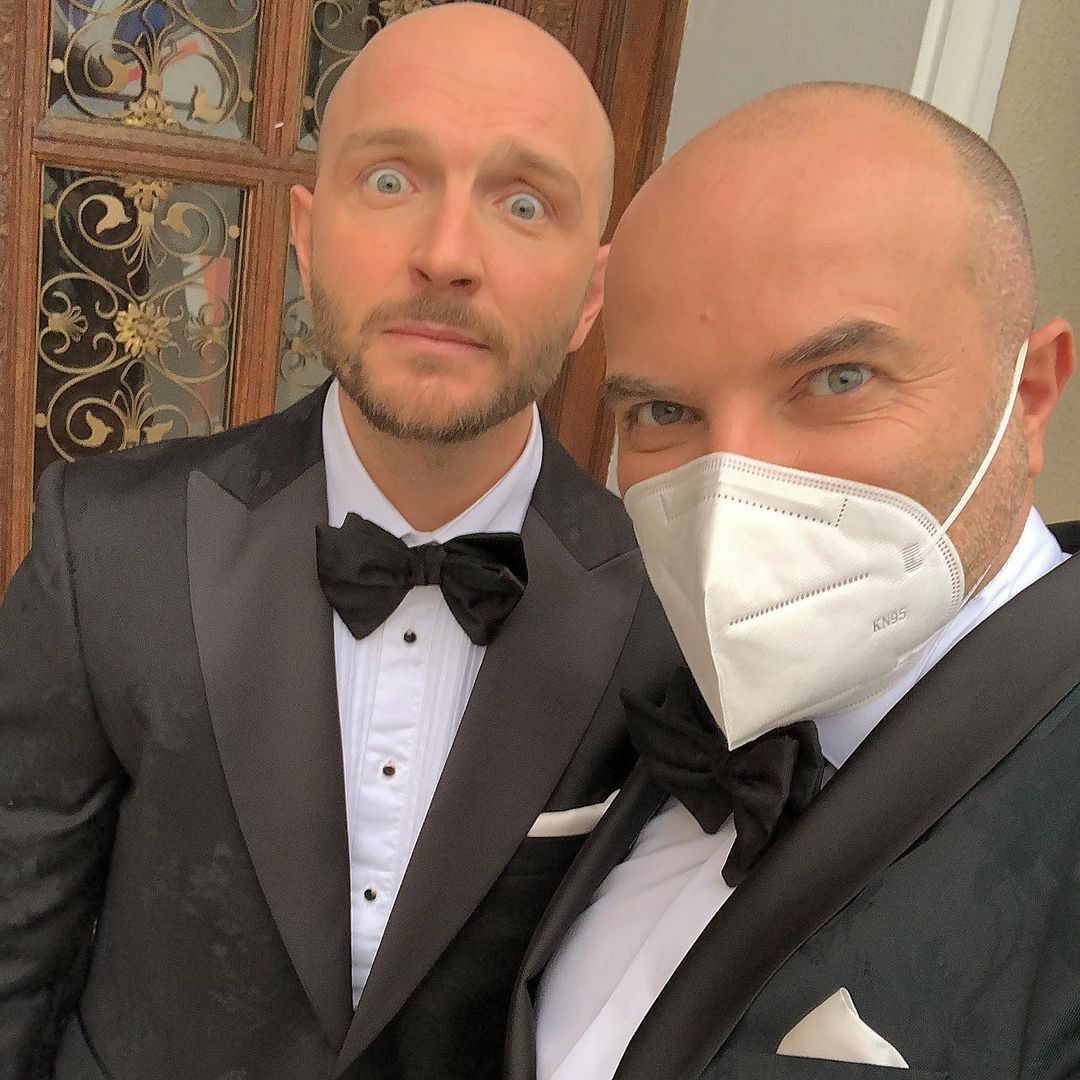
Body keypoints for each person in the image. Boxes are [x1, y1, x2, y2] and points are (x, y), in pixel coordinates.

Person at [0, 6, 682, 1079]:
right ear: (307, 233)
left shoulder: (668, 611)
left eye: (522, 202)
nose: (446, 255)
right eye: (391, 179)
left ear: (592, 290)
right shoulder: (105, 545)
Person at [505, 83, 1080, 1080]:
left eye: (839, 379)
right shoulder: (646, 689)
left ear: (1027, 397)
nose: (732, 484)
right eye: (663, 413)